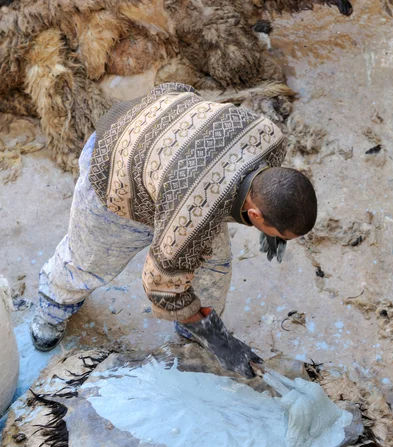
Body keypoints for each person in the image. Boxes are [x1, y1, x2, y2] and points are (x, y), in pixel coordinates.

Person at [31, 82, 317, 378]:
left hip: (170, 141)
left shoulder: (271, 138)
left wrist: (271, 230)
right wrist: (218, 339)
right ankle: (53, 307)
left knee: (214, 267)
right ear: (255, 214)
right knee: (88, 261)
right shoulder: (194, 215)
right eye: (280, 235)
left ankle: (191, 326)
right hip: (115, 164)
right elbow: (160, 286)